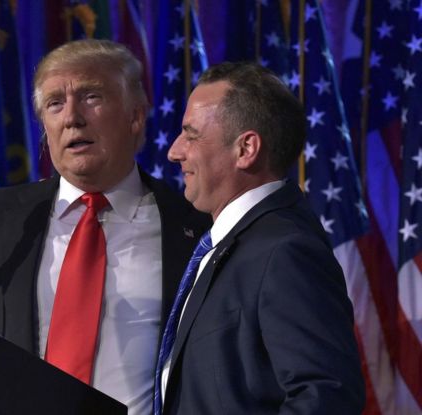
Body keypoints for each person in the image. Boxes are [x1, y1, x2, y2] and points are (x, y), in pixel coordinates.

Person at [0, 39, 210, 415]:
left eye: (91, 96)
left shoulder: (196, 228)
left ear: (136, 116)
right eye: (54, 103)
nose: (71, 118)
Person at [155, 62, 365, 414]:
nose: (174, 151)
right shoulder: (232, 244)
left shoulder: (286, 250)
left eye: (191, 134)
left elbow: (326, 395)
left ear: (246, 149)